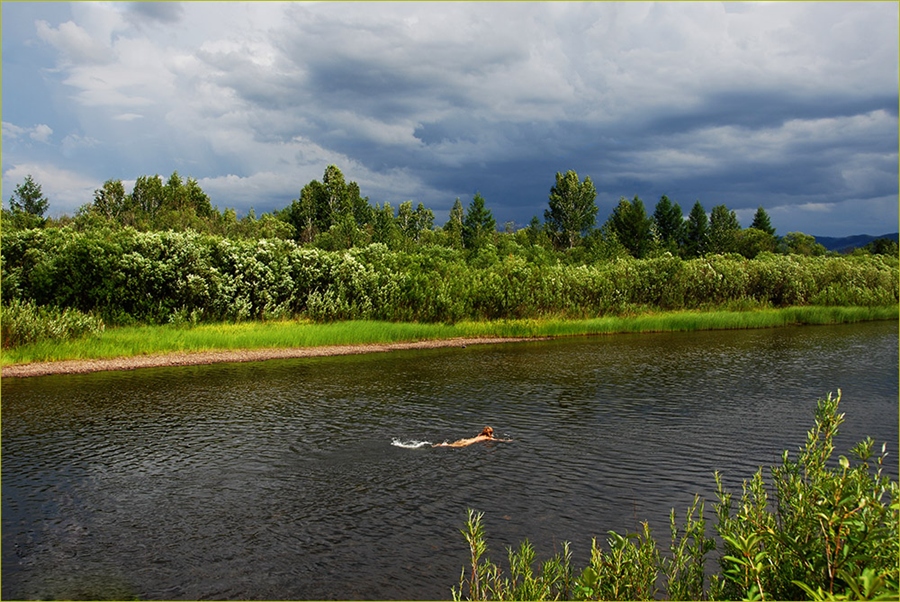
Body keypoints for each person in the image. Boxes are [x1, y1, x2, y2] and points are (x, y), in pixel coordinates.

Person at [432, 426, 511, 448]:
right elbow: (496, 440)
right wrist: (507, 441)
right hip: (468, 443)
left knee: (452, 444)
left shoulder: (480, 435)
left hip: (466, 440)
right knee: (451, 446)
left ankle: (440, 444)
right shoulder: (487, 438)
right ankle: (441, 445)